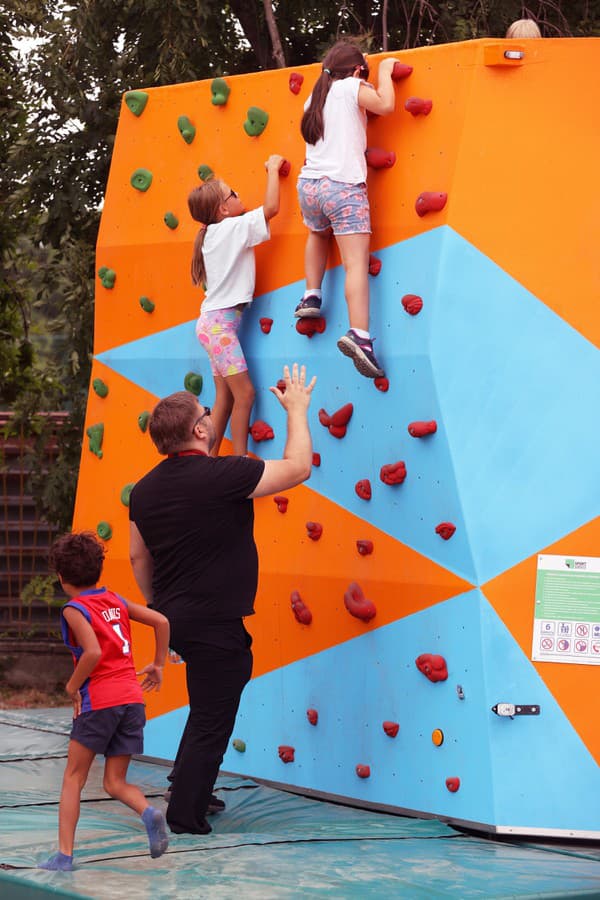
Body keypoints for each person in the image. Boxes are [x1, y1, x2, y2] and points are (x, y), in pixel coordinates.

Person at [129, 363, 316, 836]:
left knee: (206, 704)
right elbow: (297, 468)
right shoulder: (224, 474)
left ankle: (189, 788)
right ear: (198, 428)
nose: (213, 415)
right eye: (207, 411)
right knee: (214, 716)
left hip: (177, 616)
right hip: (214, 621)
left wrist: (161, 616)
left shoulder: (145, 490)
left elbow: (137, 556)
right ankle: (185, 815)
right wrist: (296, 410)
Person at [38, 531, 170, 871]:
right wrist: (158, 664)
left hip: (100, 700)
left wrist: (71, 686)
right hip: (131, 700)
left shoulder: (74, 609)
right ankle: (149, 812)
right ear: (98, 571)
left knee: (73, 777)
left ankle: (64, 855)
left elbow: (93, 652)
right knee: (114, 781)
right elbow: (161, 620)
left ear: (62, 577)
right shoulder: (115, 600)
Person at [295, 40, 399, 380]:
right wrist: (383, 71)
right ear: (356, 71)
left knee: (317, 233)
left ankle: (311, 294)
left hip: (309, 186)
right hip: (343, 187)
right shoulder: (352, 87)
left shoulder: (316, 97)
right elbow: (385, 105)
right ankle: (360, 335)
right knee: (355, 263)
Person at [188, 155, 285, 456]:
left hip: (213, 325)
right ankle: (240, 459)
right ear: (223, 209)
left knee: (224, 399)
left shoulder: (213, 234)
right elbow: (271, 209)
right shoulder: (232, 229)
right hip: (219, 326)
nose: (239, 196)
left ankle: (208, 460)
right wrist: (272, 170)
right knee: (245, 395)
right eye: (234, 194)